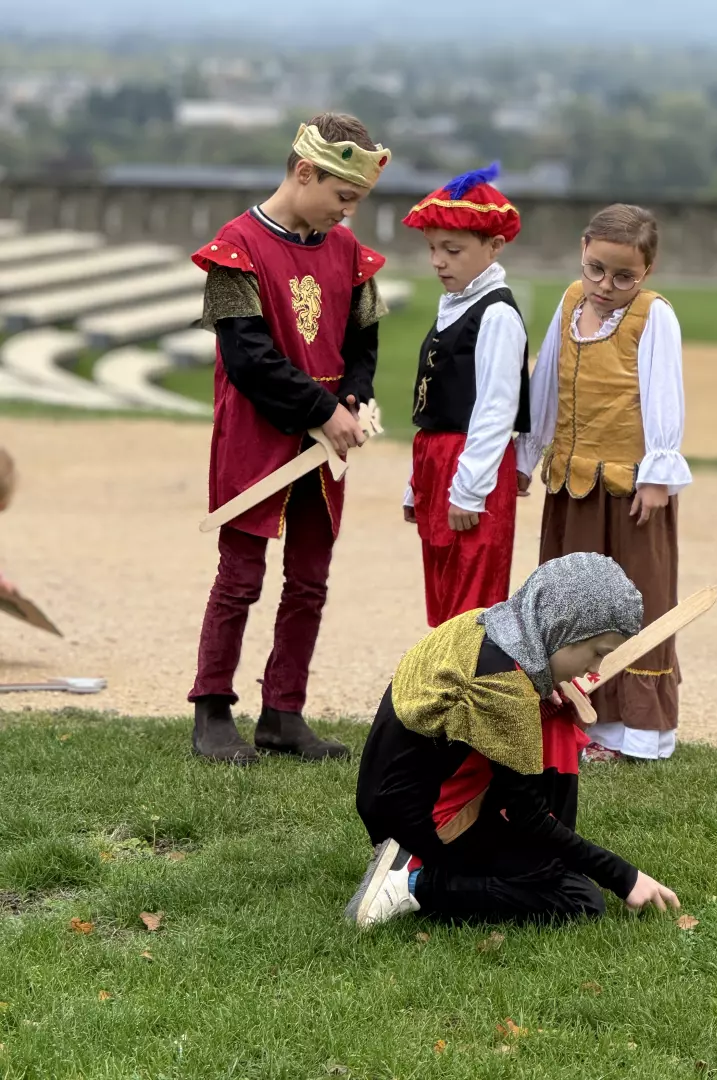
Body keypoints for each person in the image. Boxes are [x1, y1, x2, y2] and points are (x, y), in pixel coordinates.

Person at [188, 113, 391, 764]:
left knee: (309, 581)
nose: (347, 211)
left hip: (325, 441)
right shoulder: (237, 248)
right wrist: (321, 408)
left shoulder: (348, 252)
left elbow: (363, 341)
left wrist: (352, 397)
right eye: (342, 196)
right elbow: (247, 357)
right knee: (240, 577)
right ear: (305, 172)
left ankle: (283, 713)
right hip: (257, 433)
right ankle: (212, 711)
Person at [346, 553, 680, 928]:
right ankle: (411, 882)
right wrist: (624, 876)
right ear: (563, 630)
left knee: (550, 856)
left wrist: (542, 689)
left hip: (388, 797)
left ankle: (420, 864)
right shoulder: (505, 687)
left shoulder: (487, 624)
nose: (595, 669)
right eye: (597, 653)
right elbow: (528, 815)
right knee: (576, 897)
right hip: (421, 818)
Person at [516, 204, 692, 763]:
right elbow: (546, 385)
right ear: (583, 249)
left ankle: (635, 733)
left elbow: (663, 394)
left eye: (623, 277)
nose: (605, 286)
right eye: (596, 269)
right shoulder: (570, 301)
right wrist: (526, 455)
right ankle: (575, 722)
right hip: (572, 484)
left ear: (647, 271)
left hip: (631, 489)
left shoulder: (652, 316)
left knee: (637, 596)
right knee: (572, 602)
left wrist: (657, 475)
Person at [400, 163, 529, 627]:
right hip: (438, 462)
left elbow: (496, 409)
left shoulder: (496, 315)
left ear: (494, 246)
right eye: (433, 248)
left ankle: (472, 674)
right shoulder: (455, 305)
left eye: (452, 250)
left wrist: (470, 490)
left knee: (471, 601)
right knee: (441, 593)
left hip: (471, 466)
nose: (438, 261)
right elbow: (435, 400)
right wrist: (418, 482)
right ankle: (445, 671)